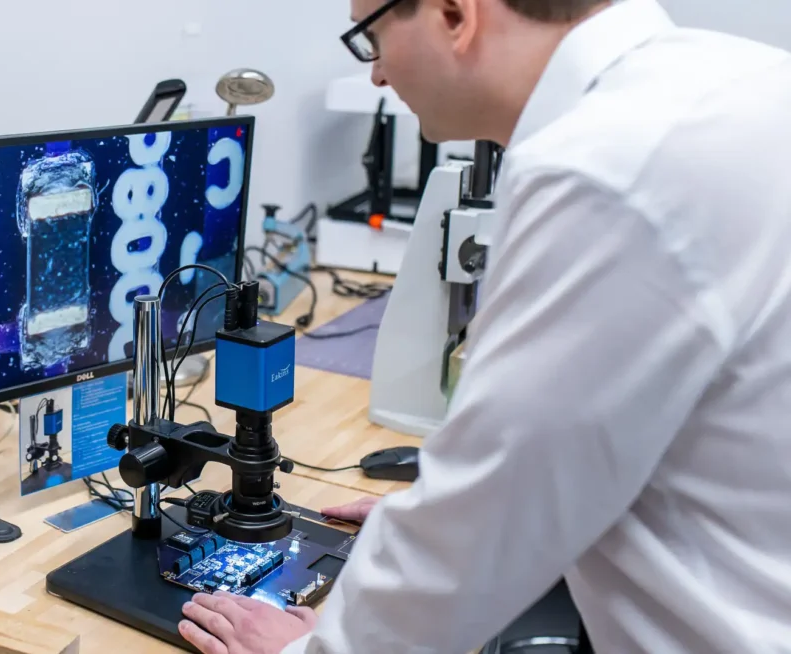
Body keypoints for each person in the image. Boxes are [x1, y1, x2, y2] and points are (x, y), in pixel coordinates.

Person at [179, 0, 791, 651]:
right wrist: (448, 512)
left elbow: (487, 530)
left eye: (371, 38)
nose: (378, 75)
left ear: (453, 14)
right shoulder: (745, 79)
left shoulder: (601, 168)